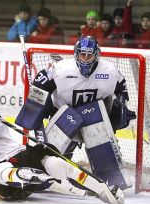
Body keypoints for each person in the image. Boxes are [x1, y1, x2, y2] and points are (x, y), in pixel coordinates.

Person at [15, 36, 136, 190]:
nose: (86, 59)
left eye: (89, 55)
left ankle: (111, 178)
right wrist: (38, 109)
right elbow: (40, 84)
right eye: (82, 55)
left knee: (101, 141)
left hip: (94, 118)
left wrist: (121, 108)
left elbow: (121, 88)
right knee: (52, 155)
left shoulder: (109, 71)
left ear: (97, 55)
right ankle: (45, 178)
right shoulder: (60, 69)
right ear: (76, 54)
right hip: (65, 115)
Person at [0, 106, 125, 204]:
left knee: (55, 162)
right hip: (6, 188)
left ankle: (102, 190)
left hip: (21, 156)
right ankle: (28, 176)